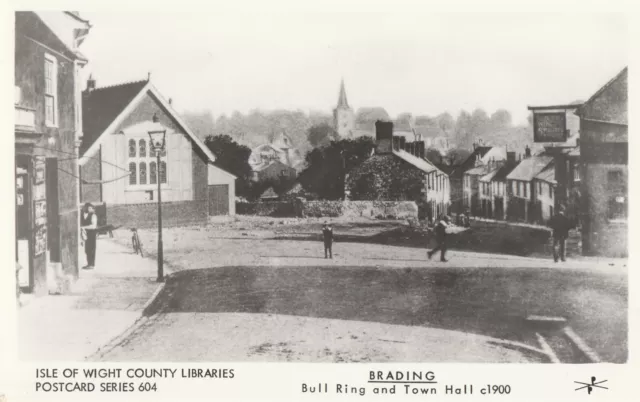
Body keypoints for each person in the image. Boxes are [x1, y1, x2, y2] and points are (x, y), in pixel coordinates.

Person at [81, 202, 98, 269]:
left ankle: (91, 264)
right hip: (86, 234)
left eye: (91, 208)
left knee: (91, 249)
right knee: (87, 249)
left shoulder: (93, 216)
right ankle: (89, 264)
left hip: (92, 234)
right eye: (88, 208)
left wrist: (84, 227)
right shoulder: (85, 215)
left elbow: (93, 226)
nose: (89, 209)